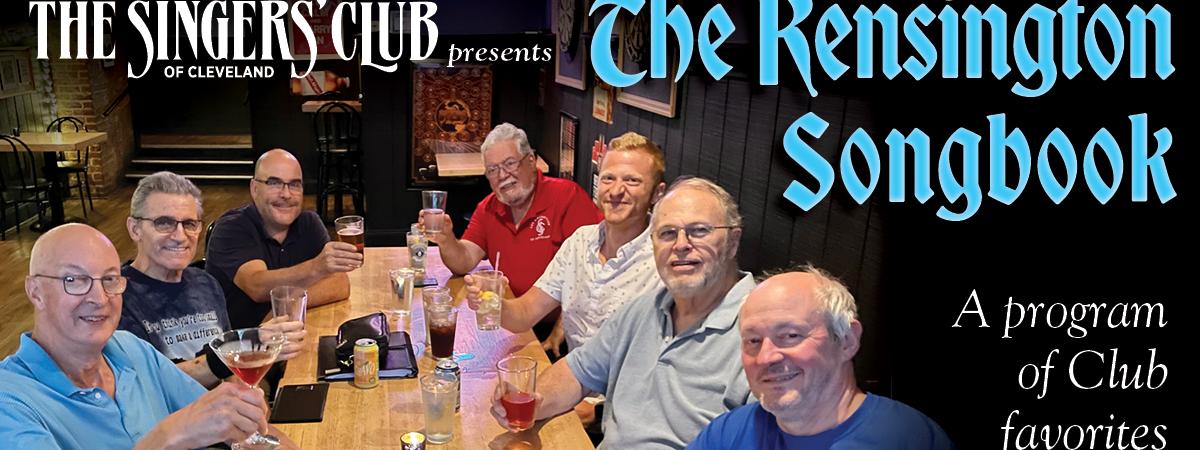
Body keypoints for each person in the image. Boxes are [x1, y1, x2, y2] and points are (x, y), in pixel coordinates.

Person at [490, 177, 756, 449]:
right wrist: (533, 401)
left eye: (699, 231)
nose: (681, 244)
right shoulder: (642, 310)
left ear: (733, 241)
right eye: (667, 233)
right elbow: (576, 373)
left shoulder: (764, 331)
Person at [0, 224, 296, 449]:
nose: (99, 298)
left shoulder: (130, 349)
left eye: (109, 279)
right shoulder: (10, 402)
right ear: (34, 291)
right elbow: (185, 427)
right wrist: (168, 436)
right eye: (74, 280)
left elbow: (236, 425)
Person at [687, 268, 955, 449]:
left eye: (791, 335)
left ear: (847, 340)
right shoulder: (727, 434)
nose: (766, 357)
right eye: (753, 341)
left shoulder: (910, 438)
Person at [120, 171, 305, 388]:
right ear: (135, 229)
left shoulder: (205, 284)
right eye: (164, 223)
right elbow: (146, 385)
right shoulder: (117, 297)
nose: (180, 236)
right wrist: (244, 347)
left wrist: (251, 392)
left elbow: (230, 375)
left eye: (189, 223)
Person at [206, 149, 361, 329]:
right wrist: (317, 267)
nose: (286, 194)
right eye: (274, 183)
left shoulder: (309, 223)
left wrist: (286, 309)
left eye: (294, 184)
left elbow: (339, 284)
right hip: (241, 347)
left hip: (288, 336)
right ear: (254, 189)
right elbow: (257, 285)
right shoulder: (231, 228)